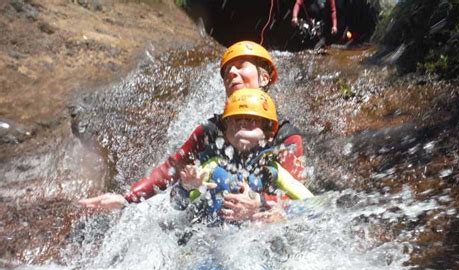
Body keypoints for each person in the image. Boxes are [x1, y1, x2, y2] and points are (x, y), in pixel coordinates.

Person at [79, 41, 305, 222]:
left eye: (241, 65)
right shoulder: (211, 130)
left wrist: (261, 205)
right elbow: (172, 168)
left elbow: (296, 195)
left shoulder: (283, 135)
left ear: (264, 78)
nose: (232, 73)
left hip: (263, 225)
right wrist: (126, 198)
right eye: (227, 70)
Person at [170, 88, 313, 223]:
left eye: (252, 120)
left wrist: (261, 205)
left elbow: (314, 206)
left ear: (268, 133)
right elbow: (177, 204)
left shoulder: (273, 171)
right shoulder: (213, 166)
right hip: (211, 240)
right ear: (225, 132)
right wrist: (186, 186)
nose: (243, 123)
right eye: (236, 119)